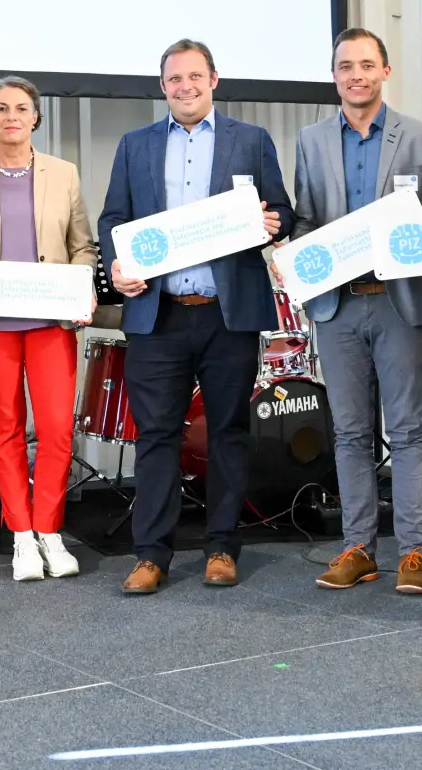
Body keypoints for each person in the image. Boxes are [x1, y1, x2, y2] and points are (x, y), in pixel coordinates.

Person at [97, 39, 292, 595]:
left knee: (228, 432)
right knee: (156, 435)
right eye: (174, 79)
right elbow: (115, 217)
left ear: (214, 80)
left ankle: (222, 547)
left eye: (194, 77)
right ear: (163, 87)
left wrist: (272, 220)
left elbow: (282, 208)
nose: (185, 87)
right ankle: (151, 554)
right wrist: (119, 265)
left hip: (227, 315)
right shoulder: (135, 146)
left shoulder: (250, 141)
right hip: (157, 315)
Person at [288, 28, 422, 596]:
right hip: (338, 307)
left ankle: (414, 553)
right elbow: (306, 218)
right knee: (350, 432)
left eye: (366, 64)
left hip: (401, 305)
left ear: (385, 71)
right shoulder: (310, 140)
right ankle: (357, 547)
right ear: (334, 75)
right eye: (344, 66)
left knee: (407, 431)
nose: (355, 74)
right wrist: (293, 257)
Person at [0, 76, 98, 581]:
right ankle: (22, 537)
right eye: (3, 108)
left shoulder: (64, 173)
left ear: (36, 117)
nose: (12, 117)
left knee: (55, 429)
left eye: (22, 109)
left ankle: (50, 530)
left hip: (52, 321)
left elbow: (82, 245)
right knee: (5, 429)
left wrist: (81, 291)